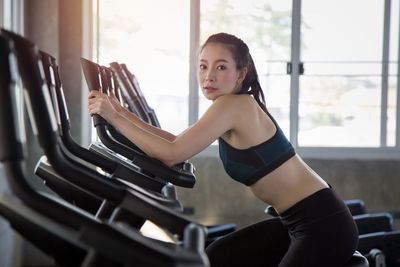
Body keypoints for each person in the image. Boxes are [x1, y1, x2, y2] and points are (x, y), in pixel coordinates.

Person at [88, 32, 359, 267]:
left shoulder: (234, 106)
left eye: (220, 67)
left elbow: (171, 153)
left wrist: (114, 116)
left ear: (241, 73)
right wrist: (119, 112)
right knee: (216, 257)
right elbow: (175, 140)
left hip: (323, 226)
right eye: (203, 66)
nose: (209, 76)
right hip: (296, 221)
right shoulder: (231, 105)